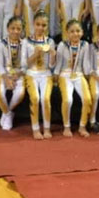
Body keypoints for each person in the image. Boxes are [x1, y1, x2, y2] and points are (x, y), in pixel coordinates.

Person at [54, 19, 93, 138]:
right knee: (68, 100)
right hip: (65, 75)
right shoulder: (62, 45)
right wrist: (56, 76)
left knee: (87, 99)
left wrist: (88, 76)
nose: (75, 34)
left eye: (78, 31)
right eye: (72, 31)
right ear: (67, 33)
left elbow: (86, 63)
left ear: (82, 32)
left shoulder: (85, 45)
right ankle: (66, 126)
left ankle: (82, 126)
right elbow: (58, 63)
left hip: (79, 74)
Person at [22, 10, 57, 139]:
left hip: (46, 74)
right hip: (31, 74)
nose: (40, 28)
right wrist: (35, 55)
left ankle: (47, 128)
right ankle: (35, 128)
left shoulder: (50, 42)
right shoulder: (26, 41)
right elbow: (24, 64)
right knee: (35, 98)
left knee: (45, 99)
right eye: (38, 24)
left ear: (47, 26)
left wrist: (53, 56)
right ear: (33, 24)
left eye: (43, 25)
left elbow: (51, 66)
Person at [0, 16, 26, 131]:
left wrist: (18, 75)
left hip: (19, 74)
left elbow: (26, 65)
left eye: (18, 29)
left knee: (19, 94)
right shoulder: (1, 44)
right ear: (7, 29)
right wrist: (7, 79)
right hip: (4, 74)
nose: (15, 31)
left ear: (22, 30)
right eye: (13, 28)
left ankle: (6, 112)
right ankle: (8, 114)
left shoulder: (25, 44)